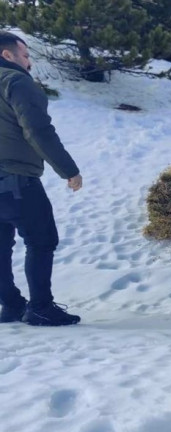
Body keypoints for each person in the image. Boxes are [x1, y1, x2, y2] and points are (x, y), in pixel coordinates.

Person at [0, 32, 83, 326]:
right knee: (41, 240)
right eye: (25, 56)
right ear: (7, 55)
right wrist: (69, 170)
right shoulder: (16, 81)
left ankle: (10, 305)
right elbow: (37, 130)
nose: (29, 62)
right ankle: (40, 307)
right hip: (16, 179)